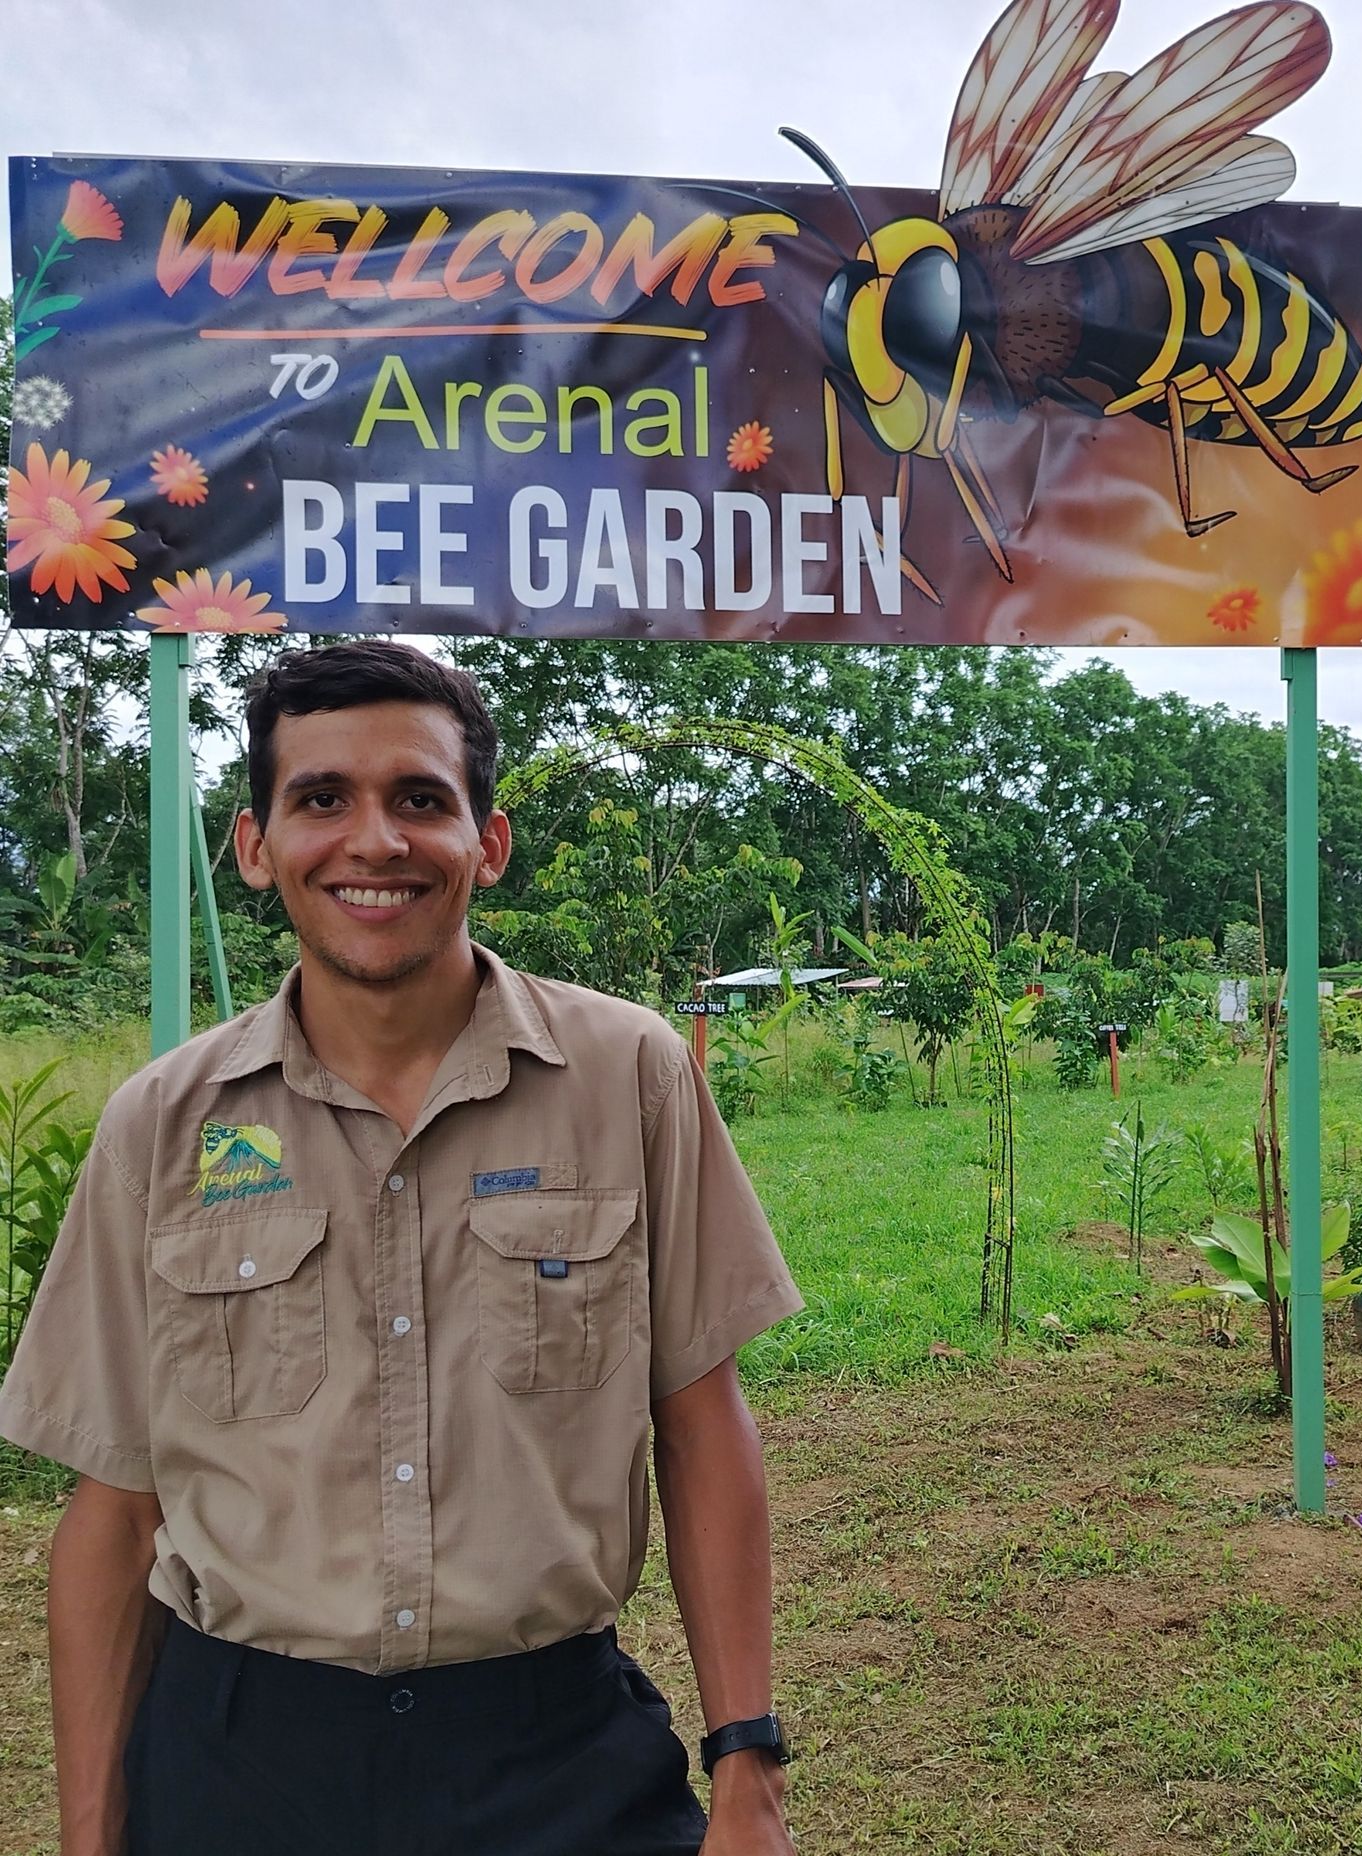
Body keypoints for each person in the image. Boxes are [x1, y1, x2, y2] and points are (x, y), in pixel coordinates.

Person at [0, 639, 803, 1855]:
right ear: (256, 848)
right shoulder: (161, 1127)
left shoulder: (628, 1077)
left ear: (488, 841)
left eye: (420, 798)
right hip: (239, 1761)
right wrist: (87, 1833)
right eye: (322, 798)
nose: (374, 840)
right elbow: (113, 1513)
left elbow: (702, 1426)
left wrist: (749, 1771)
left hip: (557, 1757)